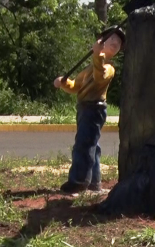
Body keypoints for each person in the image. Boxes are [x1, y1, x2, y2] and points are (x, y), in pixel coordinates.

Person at [53, 27, 125, 195]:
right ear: (100, 41)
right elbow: (76, 86)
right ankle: (94, 182)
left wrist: (97, 55)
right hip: (84, 107)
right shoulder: (89, 67)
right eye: (111, 38)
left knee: (84, 145)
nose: (115, 42)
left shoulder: (108, 68)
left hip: (95, 108)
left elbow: (100, 76)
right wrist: (63, 83)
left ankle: (78, 182)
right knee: (92, 145)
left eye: (119, 42)